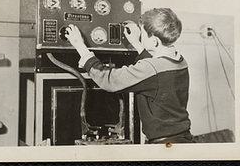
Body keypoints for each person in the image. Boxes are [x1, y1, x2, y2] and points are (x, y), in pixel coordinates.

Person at [65, 8, 194, 144]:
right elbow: (156, 70)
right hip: (182, 139)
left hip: (164, 146)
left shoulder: (151, 68)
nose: (140, 36)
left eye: (142, 34)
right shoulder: (180, 61)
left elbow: (109, 80)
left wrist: (80, 46)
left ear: (155, 41)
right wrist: (137, 44)